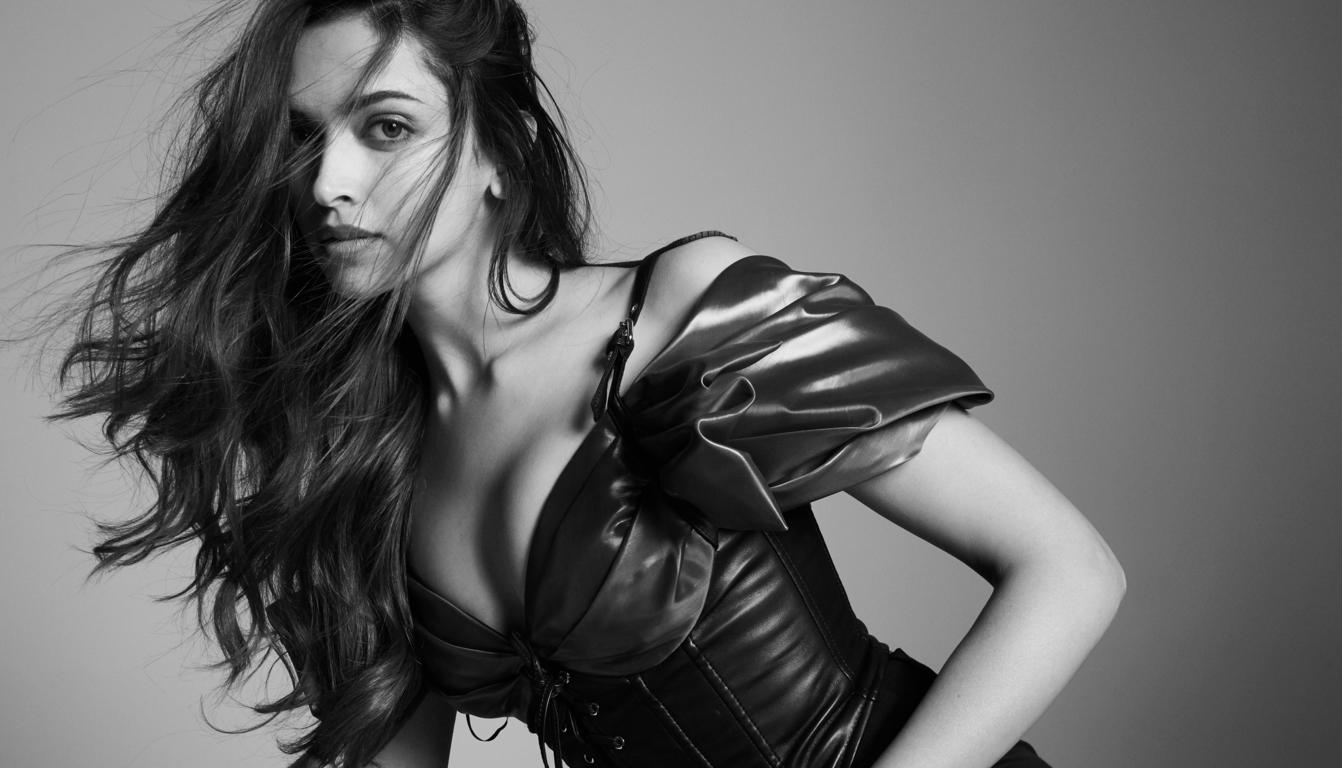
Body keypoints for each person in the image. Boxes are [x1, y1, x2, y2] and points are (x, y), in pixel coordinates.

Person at [52, 1, 1125, 766]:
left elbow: (1068, 570)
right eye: (300, 141)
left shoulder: (672, 320)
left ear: (498, 152)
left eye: (386, 128)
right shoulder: (358, 463)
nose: (328, 182)